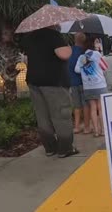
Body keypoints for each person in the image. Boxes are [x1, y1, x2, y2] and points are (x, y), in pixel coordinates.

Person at [20, 25, 78, 158]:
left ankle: (49, 147)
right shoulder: (53, 35)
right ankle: (65, 148)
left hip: (34, 80)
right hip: (54, 81)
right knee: (61, 114)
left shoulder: (29, 37)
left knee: (42, 115)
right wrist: (68, 45)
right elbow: (64, 54)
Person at [75, 36, 108, 137]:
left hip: (88, 87)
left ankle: (96, 131)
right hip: (100, 85)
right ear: (93, 45)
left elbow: (76, 70)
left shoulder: (81, 57)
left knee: (93, 108)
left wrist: (85, 70)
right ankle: (103, 130)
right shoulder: (97, 54)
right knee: (101, 109)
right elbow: (105, 67)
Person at [69, 33, 91, 134]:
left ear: (74, 39)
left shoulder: (69, 51)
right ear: (84, 41)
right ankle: (87, 127)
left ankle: (77, 127)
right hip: (84, 83)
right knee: (86, 105)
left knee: (76, 106)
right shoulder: (85, 52)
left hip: (72, 82)